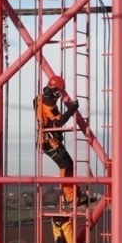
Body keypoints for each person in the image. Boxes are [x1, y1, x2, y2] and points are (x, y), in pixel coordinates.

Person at [34, 75, 86, 217]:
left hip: (48, 140)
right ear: (55, 90)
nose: (59, 95)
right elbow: (59, 121)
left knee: (68, 164)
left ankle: (76, 195)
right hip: (48, 141)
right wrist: (72, 109)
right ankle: (70, 198)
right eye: (59, 92)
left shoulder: (40, 99)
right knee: (66, 165)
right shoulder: (47, 103)